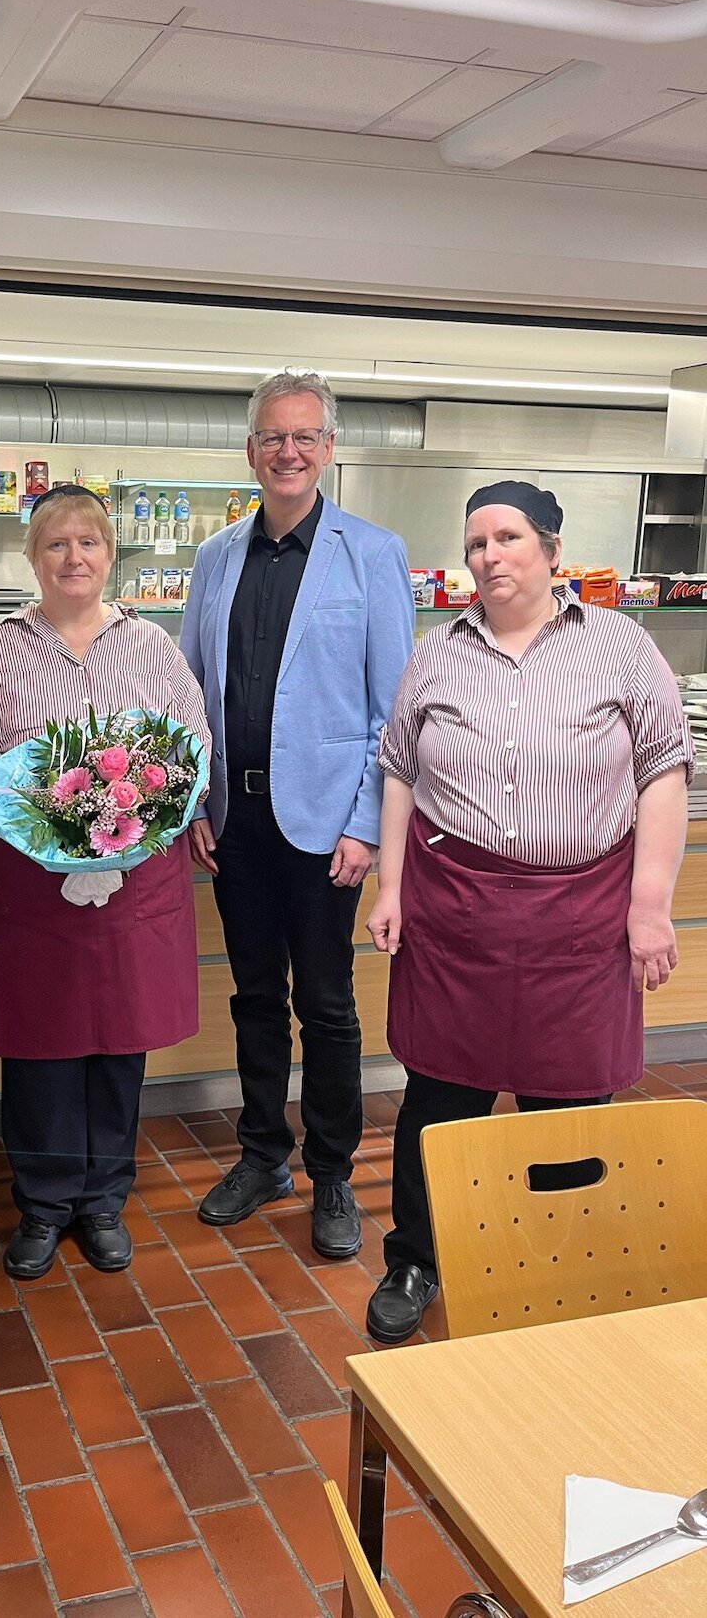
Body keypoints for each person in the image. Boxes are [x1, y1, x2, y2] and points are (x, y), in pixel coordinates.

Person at [365, 481, 692, 1343]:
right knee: (438, 1099)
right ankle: (416, 1258)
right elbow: (399, 772)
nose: (488, 556)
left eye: (507, 538)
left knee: (569, 1104)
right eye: (476, 543)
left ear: (550, 550)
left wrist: (650, 907)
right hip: (456, 911)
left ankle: (563, 1259)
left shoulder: (620, 645)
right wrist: (391, 886)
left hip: (581, 917)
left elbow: (663, 773)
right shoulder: (436, 653)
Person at [0, 485, 213, 1280]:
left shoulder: (152, 646)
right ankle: (42, 1202)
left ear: (110, 554)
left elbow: (195, 747)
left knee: (118, 1045)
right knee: (39, 1047)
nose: (74, 557)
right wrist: (47, 819)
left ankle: (102, 1200)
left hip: (133, 883)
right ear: (32, 557)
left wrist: (143, 813)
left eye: (88, 543)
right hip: (27, 884)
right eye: (56, 544)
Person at [181, 368, 414, 1260]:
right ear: (251, 450)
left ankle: (333, 1173)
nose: (288, 450)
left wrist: (365, 821)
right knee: (252, 997)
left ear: (328, 449)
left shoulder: (372, 553)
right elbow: (191, 692)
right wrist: (194, 800)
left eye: (304, 436)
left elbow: (394, 710)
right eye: (273, 436)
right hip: (235, 821)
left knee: (325, 1004)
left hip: (326, 827)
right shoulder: (215, 557)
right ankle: (261, 1155)